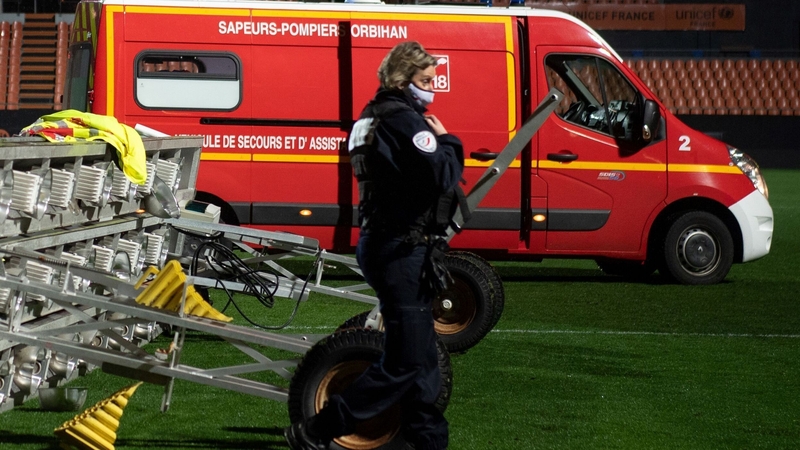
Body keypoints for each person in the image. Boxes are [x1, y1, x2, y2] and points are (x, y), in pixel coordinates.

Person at [285, 41, 465, 450]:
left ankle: (427, 441)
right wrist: (449, 141)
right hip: (400, 248)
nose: (431, 89)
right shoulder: (404, 120)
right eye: (425, 81)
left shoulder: (370, 117)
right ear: (403, 80)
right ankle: (318, 429)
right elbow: (443, 173)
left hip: (386, 243)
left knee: (420, 362)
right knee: (406, 361)